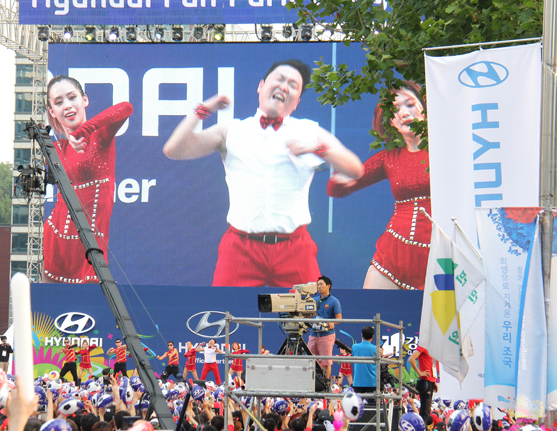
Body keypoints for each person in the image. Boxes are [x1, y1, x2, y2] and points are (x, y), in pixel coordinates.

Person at [163, 60, 364, 287]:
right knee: (226, 318)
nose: (284, 86)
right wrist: (203, 110)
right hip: (241, 249)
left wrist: (316, 148)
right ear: (261, 86)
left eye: (293, 85)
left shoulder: (308, 130)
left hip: (294, 248)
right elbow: (173, 150)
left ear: (296, 102)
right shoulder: (232, 130)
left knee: (308, 320)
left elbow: (355, 169)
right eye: (279, 79)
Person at [327, 82, 431, 290]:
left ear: (425, 110)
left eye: (409, 104)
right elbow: (335, 189)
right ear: (389, 121)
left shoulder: (448, 149)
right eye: (395, 110)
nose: (403, 113)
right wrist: (325, 153)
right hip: (392, 257)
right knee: (371, 316)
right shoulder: (388, 158)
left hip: (440, 257)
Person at [42, 75, 134, 284]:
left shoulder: (100, 135)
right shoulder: (55, 150)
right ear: (52, 111)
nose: (67, 106)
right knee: (48, 312)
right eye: (58, 102)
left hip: (89, 249)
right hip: (55, 242)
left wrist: (83, 131)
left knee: (90, 312)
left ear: (85, 100)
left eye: (72, 97)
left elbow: (126, 108)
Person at [307, 275, 342, 379]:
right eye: (318, 285)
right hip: (313, 334)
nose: (319, 287)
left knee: (326, 362)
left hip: (327, 335)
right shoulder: (313, 300)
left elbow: (339, 318)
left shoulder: (334, 301)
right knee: (309, 361)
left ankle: (325, 386)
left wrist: (332, 322)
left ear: (328, 286)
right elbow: (308, 315)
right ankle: (310, 384)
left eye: (321, 284)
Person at [409, 345, 437, 419]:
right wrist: (420, 372)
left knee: (427, 409)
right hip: (425, 381)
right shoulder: (423, 346)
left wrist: (434, 381)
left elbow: (431, 365)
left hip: (430, 381)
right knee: (425, 411)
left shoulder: (432, 348)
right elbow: (411, 359)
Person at [351, 326, 378, 400]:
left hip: (358, 381)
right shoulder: (375, 348)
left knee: (357, 406)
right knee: (373, 406)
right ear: (373, 336)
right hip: (372, 381)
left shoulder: (355, 347)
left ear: (361, 335)